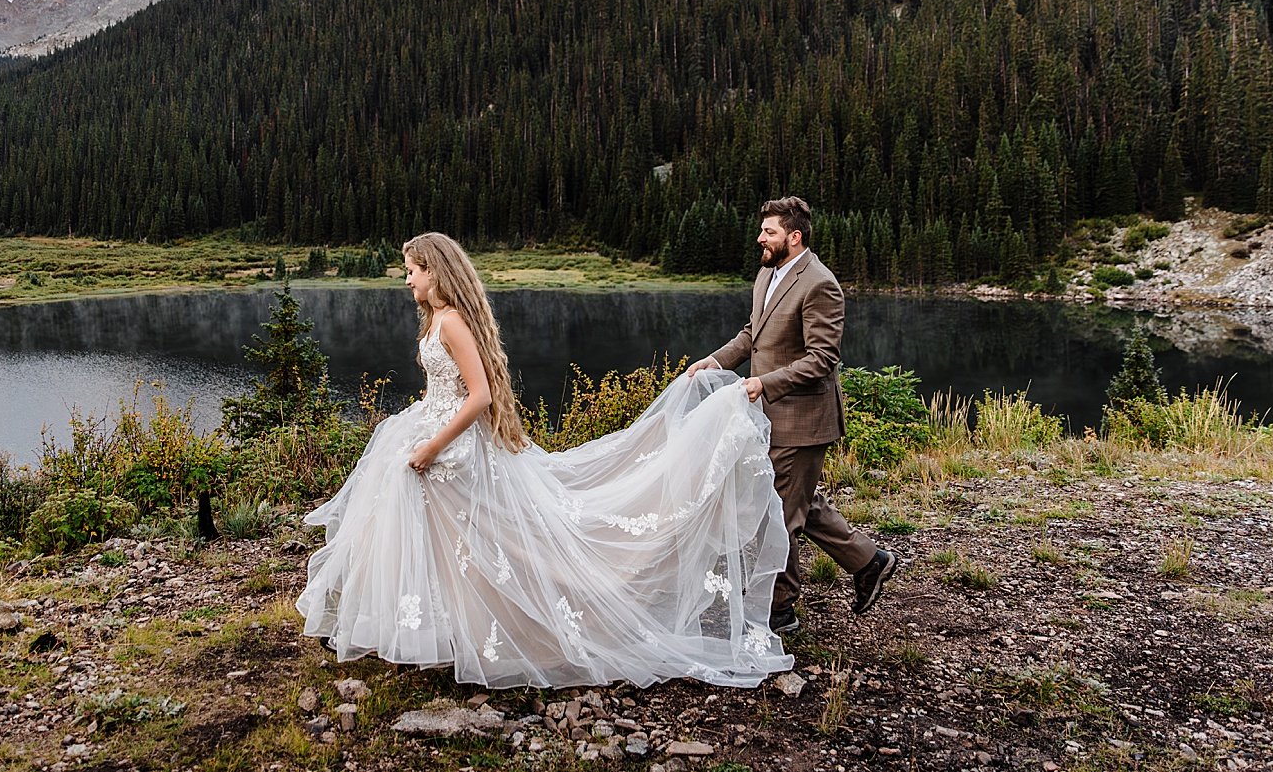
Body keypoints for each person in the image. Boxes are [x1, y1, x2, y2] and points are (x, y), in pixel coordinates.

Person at [296, 231, 793, 688]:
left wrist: (431, 445)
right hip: (434, 435)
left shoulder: (451, 323)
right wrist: (417, 426)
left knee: (487, 544)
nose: (406, 280)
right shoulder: (436, 320)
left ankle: (513, 626)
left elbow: (480, 397)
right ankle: (427, 626)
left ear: (435, 270)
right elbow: (441, 391)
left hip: (455, 450)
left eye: (412, 270)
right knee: (444, 540)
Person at [690, 196, 898, 634]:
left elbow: (823, 358)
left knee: (779, 515)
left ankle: (780, 611)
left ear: (794, 237)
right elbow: (754, 334)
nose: (760, 238)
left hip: (803, 419)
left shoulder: (819, 284)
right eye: (762, 230)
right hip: (768, 416)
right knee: (796, 500)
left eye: (769, 231)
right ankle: (868, 561)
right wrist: (717, 361)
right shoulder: (767, 273)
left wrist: (766, 383)